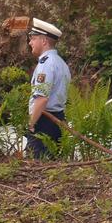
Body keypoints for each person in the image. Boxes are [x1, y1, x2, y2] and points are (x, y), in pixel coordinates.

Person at [25, 19, 70, 159]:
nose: (30, 43)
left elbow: (42, 98)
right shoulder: (61, 63)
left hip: (44, 121)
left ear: (44, 41)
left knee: (37, 165)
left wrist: (31, 124)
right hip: (58, 119)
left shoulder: (46, 64)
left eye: (33, 39)